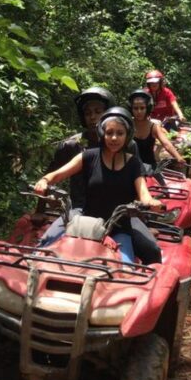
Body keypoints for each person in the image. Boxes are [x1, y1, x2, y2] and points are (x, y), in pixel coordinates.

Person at [35, 106, 163, 264]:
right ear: (102, 133)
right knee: (43, 248)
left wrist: (151, 203)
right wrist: (44, 181)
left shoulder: (134, 164)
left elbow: (144, 193)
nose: (114, 138)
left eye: (120, 133)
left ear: (127, 135)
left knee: (130, 265)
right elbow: (58, 174)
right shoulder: (89, 156)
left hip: (118, 227)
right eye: (109, 133)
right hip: (84, 223)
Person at [48, 86, 115, 213]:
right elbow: (50, 177)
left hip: (115, 211)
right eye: (88, 113)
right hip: (79, 209)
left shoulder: (120, 144)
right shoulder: (71, 145)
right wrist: (40, 211)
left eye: (98, 111)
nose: (92, 117)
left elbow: (137, 182)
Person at [127, 88, 186, 170]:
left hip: (149, 167)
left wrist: (178, 157)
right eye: (136, 108)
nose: (139, 111)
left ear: (147, 108)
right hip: (129, 167)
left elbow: (166, 144)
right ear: (131, 109)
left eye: (142, 108)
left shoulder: (154, 127)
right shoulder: (127, 125)